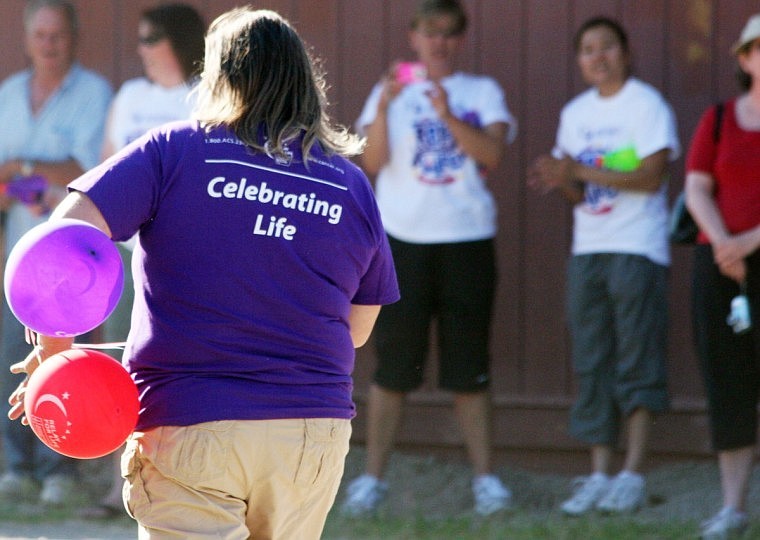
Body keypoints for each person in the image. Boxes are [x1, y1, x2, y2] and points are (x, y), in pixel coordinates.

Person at [8, 7, 398, 539]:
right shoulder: (350, 186)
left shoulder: (174, 150)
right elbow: (356, 330)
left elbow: (64, 239)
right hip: (311, 436)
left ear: (219, 75)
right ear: (306, 82)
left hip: (192, 424)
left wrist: (56, 347)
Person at [341, 0, 516, 517]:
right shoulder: (388, 91)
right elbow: (370, 162)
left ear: (459, 40)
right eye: (428, 32)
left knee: (470, 368)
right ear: (413, 38)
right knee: (392, 367)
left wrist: (446, 114)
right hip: (401, 244)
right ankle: (372, 481)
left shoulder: (481, 93)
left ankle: (486, 480)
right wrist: (383, 107)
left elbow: (492, 154)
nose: (437, 42)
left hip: (467, 240)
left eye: (447, 33)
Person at [527, 16, 679, 516]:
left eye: (607, 47)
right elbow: (578, 193)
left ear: (625, 52)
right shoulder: (575, 113)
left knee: (637, 358)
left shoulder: (647, 105)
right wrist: (558, 178)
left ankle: (633, 473)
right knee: (593, 360)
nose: (598, 57)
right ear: (580, 60)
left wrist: (575, 168)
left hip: (637, 247)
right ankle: (598, 474)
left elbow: (651, 177)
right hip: (587, 249)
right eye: (588, 49)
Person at [78, 2, 206, 521]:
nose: (142, 49)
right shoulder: (130, 96)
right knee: (119, 368)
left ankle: (183, 479)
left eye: (152, 38)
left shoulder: (204, 97)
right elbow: (108, 165)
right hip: (128, 257)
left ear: (180, 41)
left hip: (189, 261)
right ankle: (120, 485)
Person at [0, 0, 112, 506]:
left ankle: (60, 468)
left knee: (65, 358)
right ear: (27, 39)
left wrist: (21, 165)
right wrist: (31, 174)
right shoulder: (6, 97)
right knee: (12, 356)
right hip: (16, 250)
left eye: (58, 35)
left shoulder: (94, 94)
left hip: (72, 256)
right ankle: (17, 466)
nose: (49, 44)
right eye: (40, 35)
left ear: (73, 37)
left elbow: (83, 170)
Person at [684, 13, 760, 540]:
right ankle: (733, 508)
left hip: (742, 251)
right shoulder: (717, 119)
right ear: (745, 58)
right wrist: (724, 245)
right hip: (720, 269)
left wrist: (748, 242)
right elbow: (696, 188)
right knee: (728, 385)